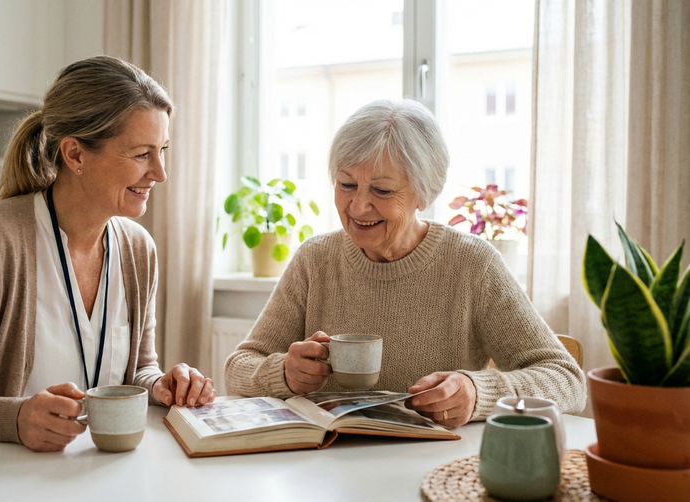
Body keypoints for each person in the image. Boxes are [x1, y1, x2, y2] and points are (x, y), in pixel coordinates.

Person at [0, 56, 215, 498]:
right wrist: (15, 418)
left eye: (162, 152)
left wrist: (160, 386)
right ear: (75, 154)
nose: (160, 173)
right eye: (142, 154)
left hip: (88, 482)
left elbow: (138, 369)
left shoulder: (138, 249)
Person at [224, 98, 586, 427]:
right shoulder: (315, 259)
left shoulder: (471, 264)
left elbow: (567, 380)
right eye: (346, 184)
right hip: (328, 467)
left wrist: (478, 391)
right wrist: (284, 373)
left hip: (433, 469)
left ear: (424, 193)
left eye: (382, 191)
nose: (358, 206)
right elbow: (240, 366)